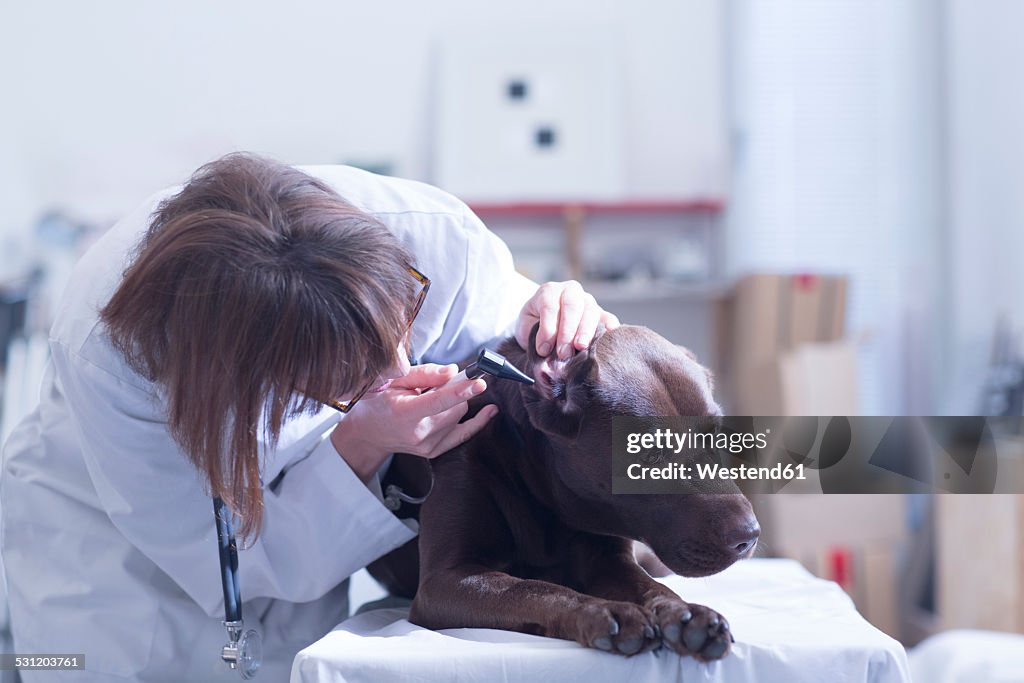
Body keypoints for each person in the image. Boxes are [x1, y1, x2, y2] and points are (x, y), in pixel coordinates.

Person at [0, 154, 619, 681]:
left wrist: (574, 316)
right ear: (248, 376)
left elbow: (629, 407)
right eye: (348, 379)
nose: (404, 367)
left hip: (305, 561)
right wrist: (365, 439)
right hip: (107, 559)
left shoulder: (437, 243)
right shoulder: (115, 359)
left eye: (402, 329)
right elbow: (226, 564)